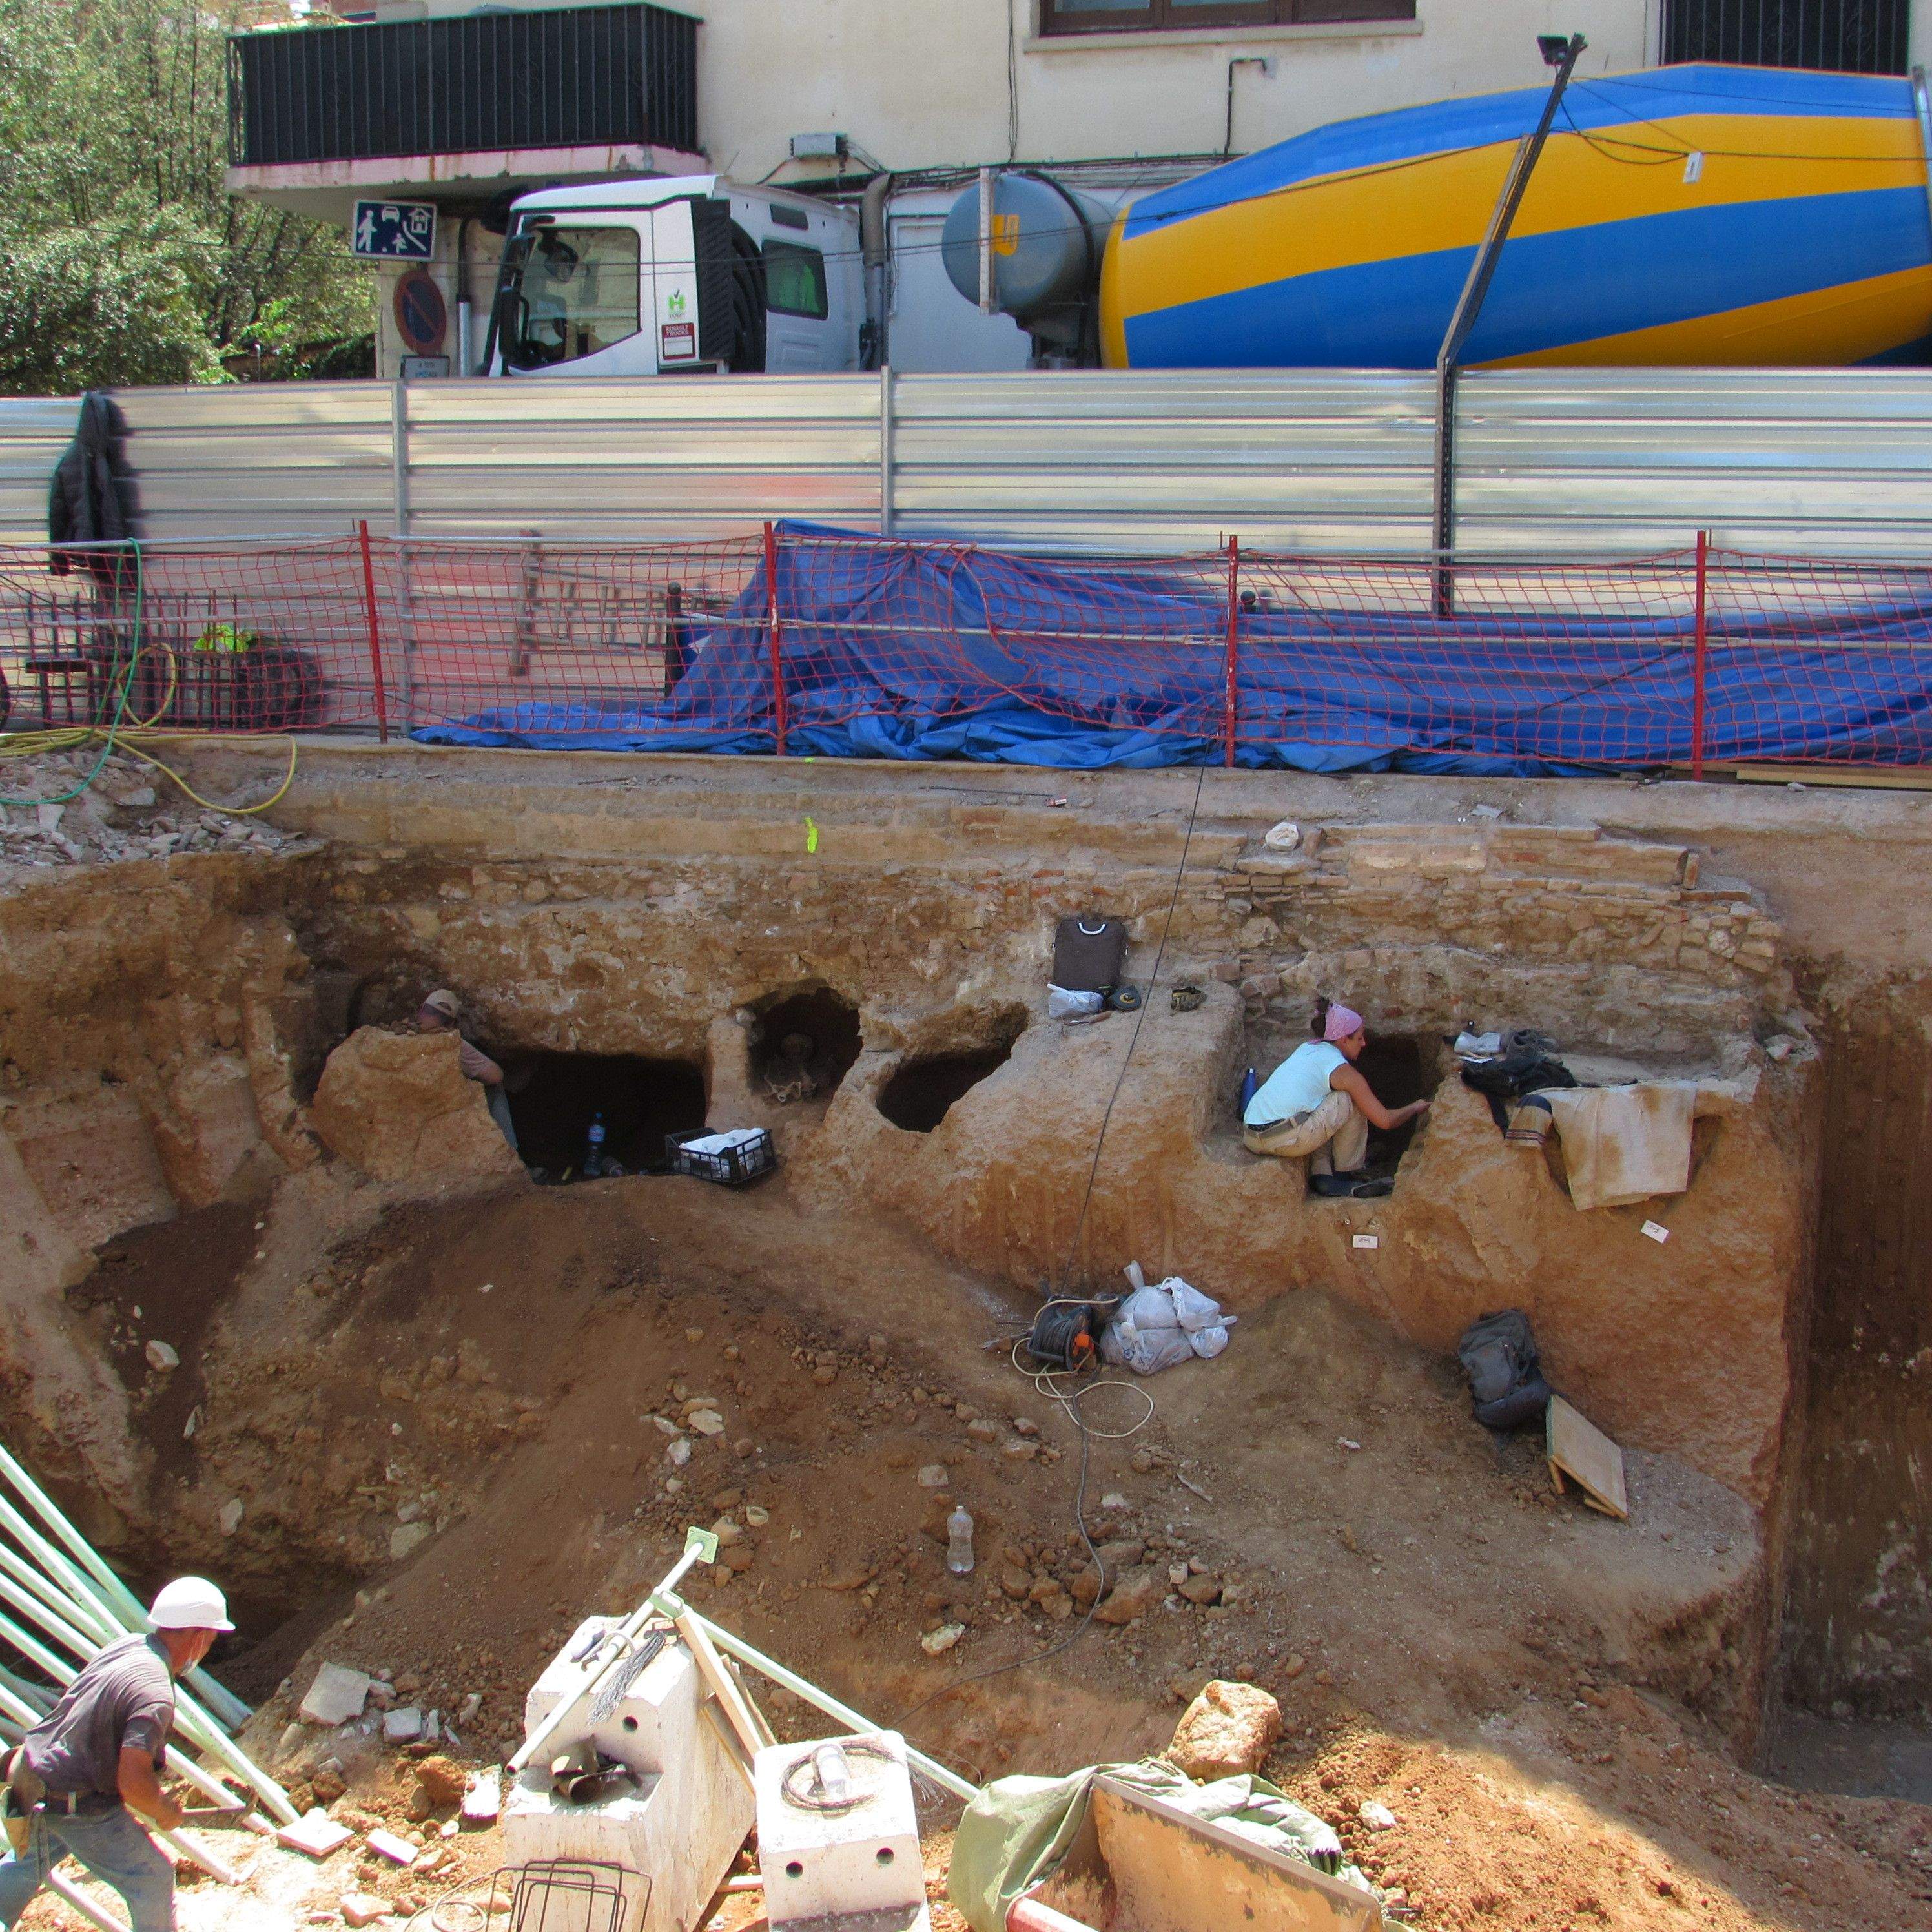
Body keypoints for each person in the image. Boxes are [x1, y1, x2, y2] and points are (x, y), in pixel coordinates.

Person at [0, 1577, 234, 1932]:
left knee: (26, 1862)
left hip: (34, 1776)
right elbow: (133, 1782)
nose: (207, 1649)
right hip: (75, 1800)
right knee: (151, 1878)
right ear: (198, 1635)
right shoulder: (154, 1693)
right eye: (211, 1640)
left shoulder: (127, 1646)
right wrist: (161, 1810)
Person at [1243, 997, 1430, 1197]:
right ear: (1343, 1040)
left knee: (1320, 1103)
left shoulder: (1307, 1048)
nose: (1364, 1043)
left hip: (1252, 1137)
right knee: (1350, 1099)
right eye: (1359, 1038)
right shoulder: (1342, 1071)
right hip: (1286, 1139)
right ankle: (1345, 1175)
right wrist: (1414, 1108)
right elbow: (1384, 1121)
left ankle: (1322, 1176)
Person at [416, 989, 518, 1152]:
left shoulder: (397, 1037)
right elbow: (496, 1076)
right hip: (443, 1122)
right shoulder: (453, 1044)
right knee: (493, 1087)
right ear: (451, 1025)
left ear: (421, 1009)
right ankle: (510, 1152)